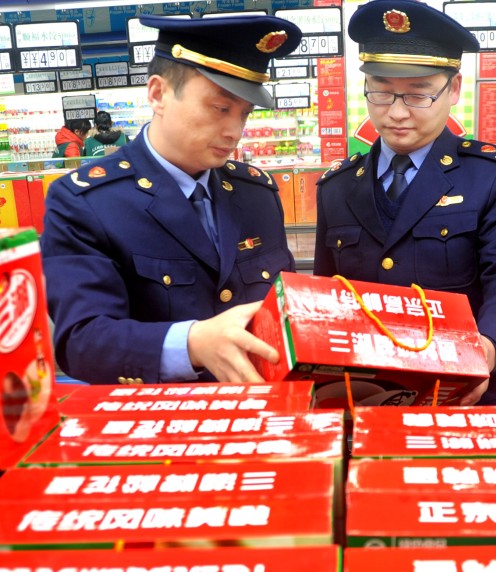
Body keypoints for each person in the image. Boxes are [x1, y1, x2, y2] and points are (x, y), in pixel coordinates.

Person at [40, 14, 303, 385]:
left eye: (245, 114)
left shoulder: (255, 193)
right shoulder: (86, 201)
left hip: (262, 411)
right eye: (220, 108)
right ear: (158, 93)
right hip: (157, 429)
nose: (234, 132)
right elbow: (81, 342)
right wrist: (191, 343)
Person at [312, 0, 496, 406]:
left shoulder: (493, 174)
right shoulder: (337, 186)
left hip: (464, 393)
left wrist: (488, 351)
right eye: (381, 94)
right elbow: (327, 294)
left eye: (418, 95)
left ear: (452, 89)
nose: (397, 113)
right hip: (364, 397)